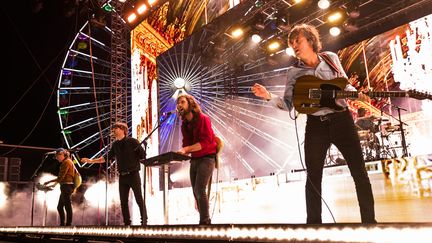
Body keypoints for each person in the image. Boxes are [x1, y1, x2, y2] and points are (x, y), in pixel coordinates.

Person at [252, 24, 377, 224]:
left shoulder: (331, 58)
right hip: (316, 125)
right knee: (313, 178)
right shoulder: (293, 72)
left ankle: (370, 222)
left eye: (297, 41)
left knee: (359, 173)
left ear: (310, 40)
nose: (294, 46)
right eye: (292, 44)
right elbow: (287, 104)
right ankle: (314, 225)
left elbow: (344, 83)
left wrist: (356, 93)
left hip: (342, 120)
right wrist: (267, 96)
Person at [81, 122, 147, 226]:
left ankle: (144, 222)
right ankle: (127, 223)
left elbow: (143, 155)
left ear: (123, 130)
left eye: (116, 128)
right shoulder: (115, 145)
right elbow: (105, 158)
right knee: (123, 201)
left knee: (139, 198)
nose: (114, 130)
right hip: (122, 176)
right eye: (114, 128)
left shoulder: (133, 141)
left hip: (133, 174)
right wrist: (90, 161)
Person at [176, 94, 217, 225]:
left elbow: (204, 144)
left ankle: (205, 222)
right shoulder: (185, 125)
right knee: (195, 192)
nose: (179, 105)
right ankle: (203, 220)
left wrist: (186, 149)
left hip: (207, 158)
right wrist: (178, 155)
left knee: (199, 189)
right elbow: (186, 144)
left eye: (182, 102)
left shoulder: (204, 119)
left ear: (190, 104)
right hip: (195, 160)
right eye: (178, 103)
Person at [43, 148, 75, 226]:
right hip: (66, 186)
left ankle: (68, 224)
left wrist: (53, 184)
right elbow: (61, 177)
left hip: (66, 186)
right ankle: (63, 224)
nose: (56, 158)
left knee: (67, 206)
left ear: (62, 154)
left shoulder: (66, 162)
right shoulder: (67, 161)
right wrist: (49, 182)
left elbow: (61, 177)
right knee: (60, 207)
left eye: (57, 156)